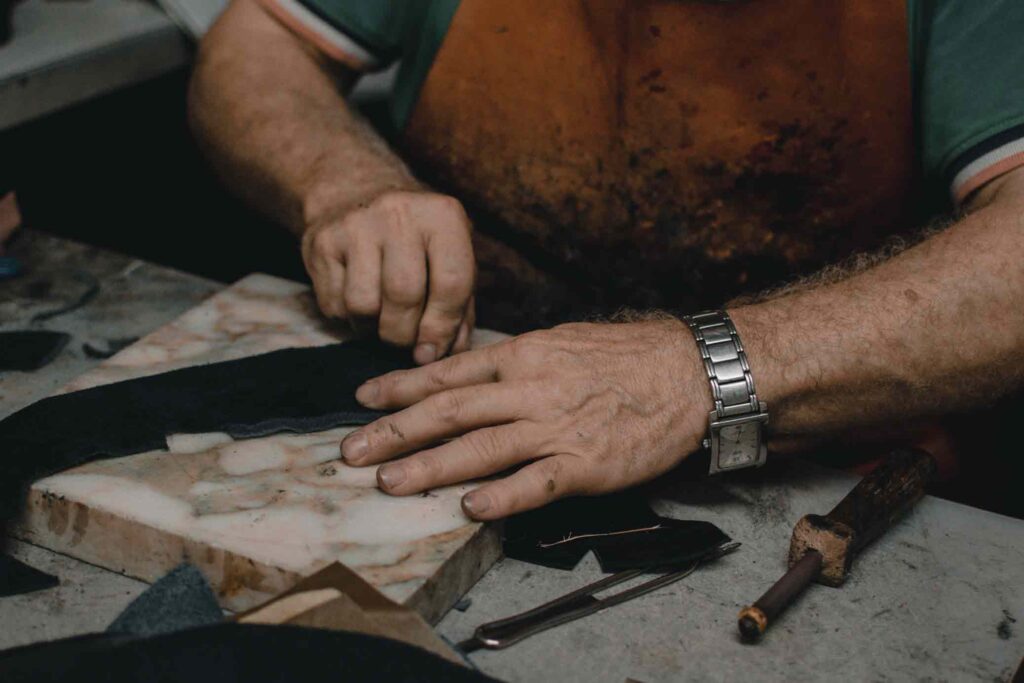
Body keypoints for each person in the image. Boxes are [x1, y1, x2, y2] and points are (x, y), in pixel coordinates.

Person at [189, 1, 1024, 521]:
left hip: (808, 472)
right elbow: (255, 42)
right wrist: (343, 181)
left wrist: (700, 373)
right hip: (458, 386)